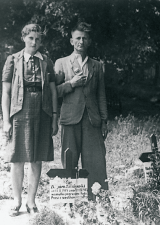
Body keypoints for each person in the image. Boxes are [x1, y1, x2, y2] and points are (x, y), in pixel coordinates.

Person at [1, 24, 58, 216]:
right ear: (24, 38)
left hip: (42, 112)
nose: (34, 42)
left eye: (38, 39)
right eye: (31, 38)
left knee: (36, 158)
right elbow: (6, 93)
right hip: (19, 112)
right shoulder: (13, 60)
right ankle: (16, 201)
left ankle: (31, 202)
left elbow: (52, 91)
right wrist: (6, 120)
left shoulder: (46, 62)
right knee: (17, 158)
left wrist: (54, 117)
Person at [55, 22, 108, 200]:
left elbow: (101, 95)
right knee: (69, 159)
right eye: (78, 38)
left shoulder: (97, 66)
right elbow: (53, 92)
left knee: (95, 161)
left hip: (92, 120)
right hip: (70, 118)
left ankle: (97, 198)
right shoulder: (61, 63)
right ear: (71, 41)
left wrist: (104, 120)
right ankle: (69, 199)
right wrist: (71, 84)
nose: (81, 41)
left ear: (89, 41)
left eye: (84, 38)